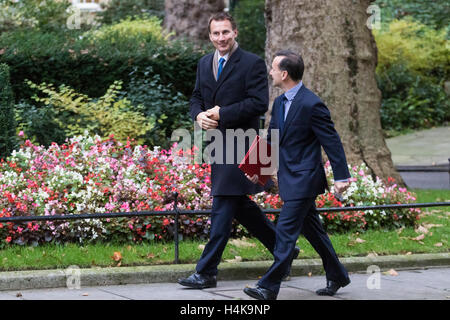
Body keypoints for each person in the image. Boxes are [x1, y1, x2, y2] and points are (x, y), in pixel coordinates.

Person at [178, 13, 298, 289]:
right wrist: (198, 117)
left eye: (225, 32)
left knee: (222, 202)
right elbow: (196, 97)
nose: (221, 38)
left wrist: (222, 114)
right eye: (216, 33)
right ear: (209, 36)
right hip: (218, 144)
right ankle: (285, 250)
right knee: (239, 205)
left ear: (235, 33)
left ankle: (206, 271)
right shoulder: (204, 63)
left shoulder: (252, 63)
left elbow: (258, 103)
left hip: (243, 143)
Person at [243, 50, 351, 300]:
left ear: (284, 73)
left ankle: (268, 287)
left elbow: (331, 141)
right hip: (288, 177)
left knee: (285, 231)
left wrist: (342, 176)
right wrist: (259, 170)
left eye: (273, 68)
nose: (270, 72)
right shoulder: (280, 102)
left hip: (305, 179)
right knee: (314, 231)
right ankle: (337, 275)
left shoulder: (312, 104)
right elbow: (272, 138)